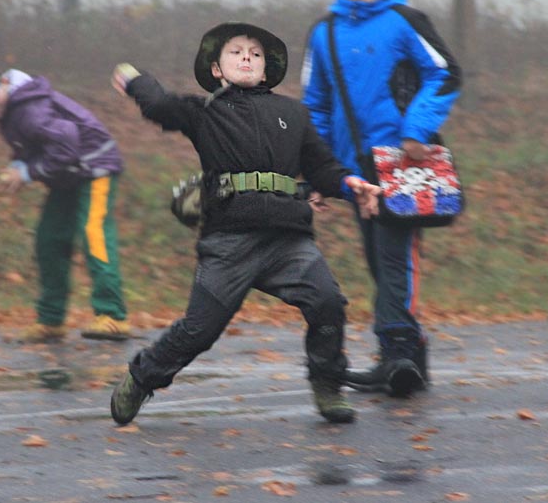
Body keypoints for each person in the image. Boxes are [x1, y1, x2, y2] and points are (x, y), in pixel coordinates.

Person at [107, 22, 383, 425]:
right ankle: (141, 377)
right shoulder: (205, 113)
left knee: (327, 302)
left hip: (288, 242)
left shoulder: (294, 113)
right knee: (199, 331)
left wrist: (349, 183)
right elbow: (159, 105)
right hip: (229, 242)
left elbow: (322, 168)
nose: (247, 58)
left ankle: (327, 386)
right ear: (217, 69)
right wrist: (136, 82)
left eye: (255, 54)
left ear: (267, 69)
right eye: (236, 52)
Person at [301, 0, 462, 396]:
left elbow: (446, 72)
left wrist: (417, 129)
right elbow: (315, 105)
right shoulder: (323, 33)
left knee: (396, 258)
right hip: (353, 172)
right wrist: (317, 170)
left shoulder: (404, 20)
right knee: (379, 261)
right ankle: (412, 355)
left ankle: (397, 354)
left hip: (402, 165)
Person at [0, 63, 131, 343]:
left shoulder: (28, 109)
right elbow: (30, 146)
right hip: (67, 176)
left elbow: (67, 145)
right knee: (49, 239)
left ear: (2, 82)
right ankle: (51, 320)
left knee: (93, 233)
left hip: (95, 165)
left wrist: (26, 173)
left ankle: (113, 317)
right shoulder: (10, 112)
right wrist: (17, 165)